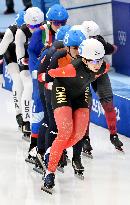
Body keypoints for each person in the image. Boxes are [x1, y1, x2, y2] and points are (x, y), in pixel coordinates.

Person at [41, 38, 109, 194]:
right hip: (62, 90)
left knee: (78, 134)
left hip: (80, 93)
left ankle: (51, 152)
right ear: (84, 59)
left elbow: (100, 69)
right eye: (93, 61)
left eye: (100, 60)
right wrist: (44, 79)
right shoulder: (71, 68)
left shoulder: (103, 67)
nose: (97, 64)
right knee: (65, 131)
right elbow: (51, 73)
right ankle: (50, 172)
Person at [27, 4, 69, 164]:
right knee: (40, 107)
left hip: (57, 76)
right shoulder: (40, 33)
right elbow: (31, 52)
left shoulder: (65, 33)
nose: (59, 26)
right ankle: (34, 146)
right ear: (50, 21)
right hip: (41, 72)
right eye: (56, 23)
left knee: (56, 113)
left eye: (62, 23)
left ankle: (56, 148)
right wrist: (35, 70)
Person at [81, 20, 123, 156]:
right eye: (91, 38)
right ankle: (85, 138)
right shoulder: (77, 43)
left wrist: (113, 48)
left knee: (108, 103)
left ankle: (114, 135)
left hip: (99, 73)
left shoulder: (99, 40)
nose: (94, 41)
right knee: (86, 106)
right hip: (83, 75)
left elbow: (111, 49)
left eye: (96, 38)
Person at [14, 7, 44, 143]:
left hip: (41, 61)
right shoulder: (20, 32)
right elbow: (19, 53)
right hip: (27, 62)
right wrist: (22, 60)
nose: (36, 28)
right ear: (26, 25)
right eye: (32, 26)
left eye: (38, 25)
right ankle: (26, 121)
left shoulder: (46, 29)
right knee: (28, 87)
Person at [0, 11, 26, 129]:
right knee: (17, 80)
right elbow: (0, 52)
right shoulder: (10, 32)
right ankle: (18, 113)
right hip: (11, 53)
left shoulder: (35, 28)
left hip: (25, 53)